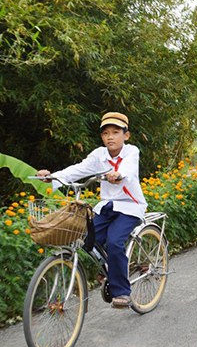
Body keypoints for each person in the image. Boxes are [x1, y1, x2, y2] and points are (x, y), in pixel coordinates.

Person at [37, 112, 147, 308]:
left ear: (126, 135)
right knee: (87, 238)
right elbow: (78, 169)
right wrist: (52, 177)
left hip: (130, 207)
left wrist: (119, 174)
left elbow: (129, 169)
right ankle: (109, 268)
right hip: (107, 206)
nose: (110, 137)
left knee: (114, 242)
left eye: (115, 132)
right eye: (106, 133)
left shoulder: (131, 151)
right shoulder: (99, 155)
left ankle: (121, 290)